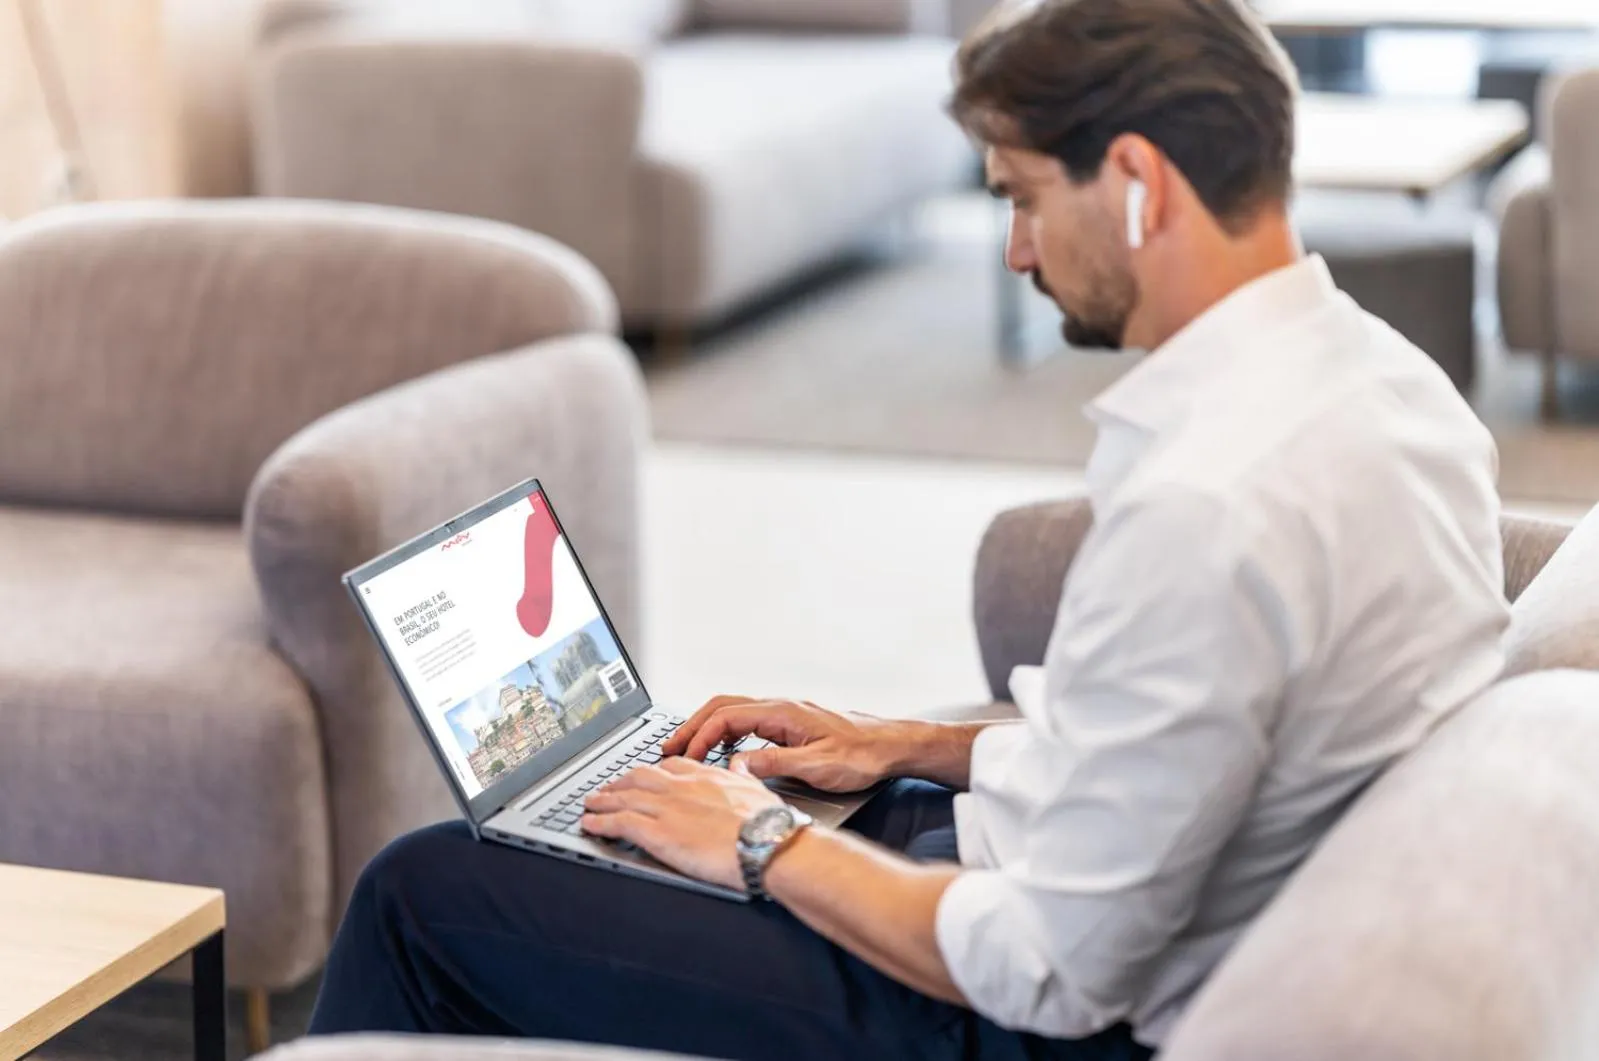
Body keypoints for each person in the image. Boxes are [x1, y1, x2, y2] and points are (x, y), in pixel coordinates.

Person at [306, 1, 1510, 1058]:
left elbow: (1045, 966)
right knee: (640, 815)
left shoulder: (1214, 504)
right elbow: (1172, 767)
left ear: (1138, 179)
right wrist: (902, 745)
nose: (1016, 249)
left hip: (1029, 1016)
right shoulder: (1389, 384)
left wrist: (768, 839)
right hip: (1071, 899)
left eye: (1027, 198)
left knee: (423, 888)